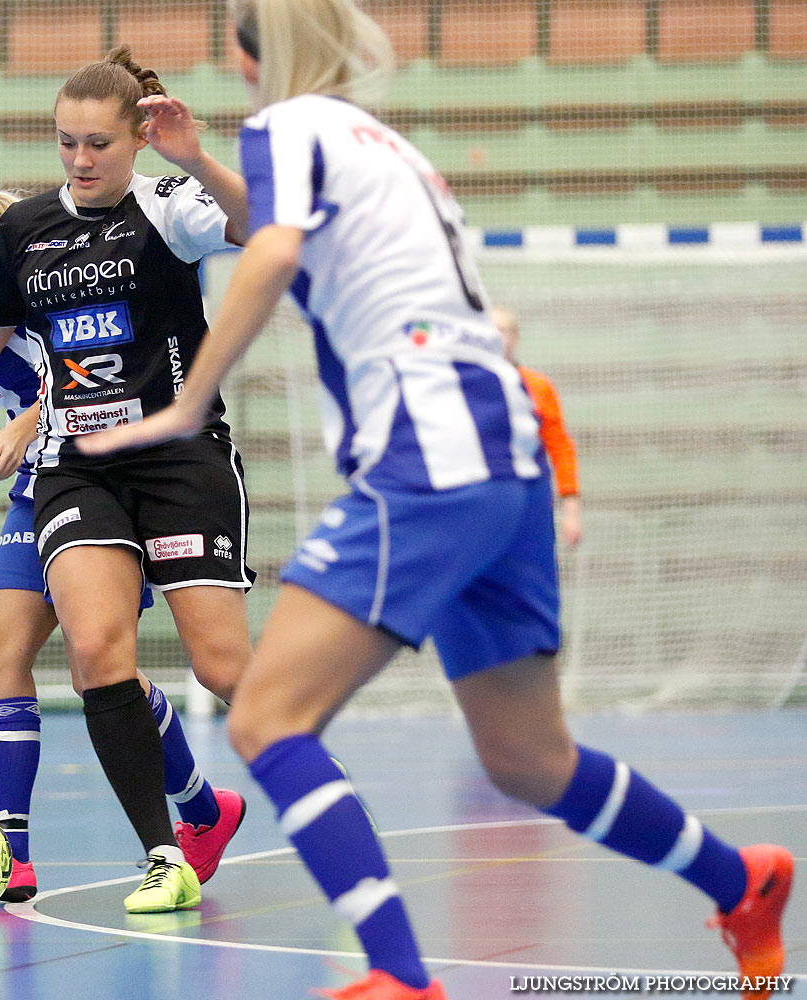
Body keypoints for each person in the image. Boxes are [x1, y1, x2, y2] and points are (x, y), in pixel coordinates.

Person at [77, 1, 793, 996]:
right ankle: (740, 879)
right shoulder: (378, 142)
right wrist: (201, 163)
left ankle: (400, 973)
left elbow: (276, 251)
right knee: (527, 756)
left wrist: (186, 402)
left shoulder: (285, 123)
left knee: (267, 717)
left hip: (429, 451)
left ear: (249, 56)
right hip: (506, 454)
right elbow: (297, 228)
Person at [0, 47, 257, 914]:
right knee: (16, 652)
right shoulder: (5, 264)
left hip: (139, 455)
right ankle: (29, 852)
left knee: (193, 659)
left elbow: (78, 365)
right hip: (59, 476)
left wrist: (27, 416)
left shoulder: (133, 220)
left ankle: (221, 805)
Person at [492, 306, 583, 548]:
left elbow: (560, 448)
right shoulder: (464, 388)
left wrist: (571, 512)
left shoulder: (537, 387)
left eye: (500, 330)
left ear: (515, 337)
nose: (494, 337)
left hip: (527, 502)